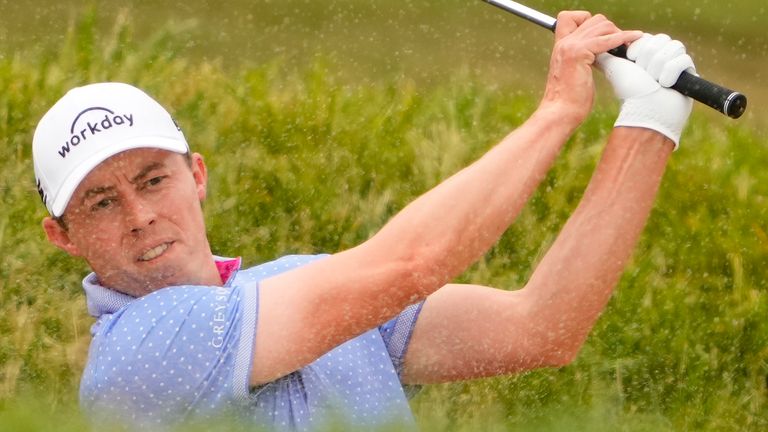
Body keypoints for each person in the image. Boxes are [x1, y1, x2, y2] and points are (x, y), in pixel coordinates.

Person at [32, 11, 695, 431]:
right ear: (63, 235)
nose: (142, 216)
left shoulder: (306, 286)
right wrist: (557, 111)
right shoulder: (134, 355)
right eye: (101, 201)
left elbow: (542, 328)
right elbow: (412, 262)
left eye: (154, 179)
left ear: (197, 175)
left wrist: (648, 122)